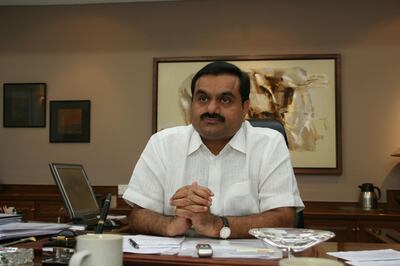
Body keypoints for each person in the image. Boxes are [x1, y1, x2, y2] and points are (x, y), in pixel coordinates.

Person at [123, 61, 304, 239]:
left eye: (225, 100)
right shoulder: (162, 144)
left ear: (245, 108)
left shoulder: (269, 144)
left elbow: (284, 218)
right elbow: (138, 216)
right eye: (203, 98)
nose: (211, 108)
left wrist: (217, 225)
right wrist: (171, 225)